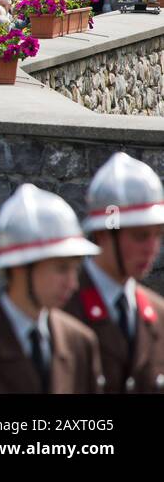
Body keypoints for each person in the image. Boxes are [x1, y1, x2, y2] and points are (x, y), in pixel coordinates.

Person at [0, 184, 103, 393]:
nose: (73, 283)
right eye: (61, 269)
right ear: (20, 268)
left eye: (74, 269)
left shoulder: (80, 343)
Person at [65, 153, 164, 393]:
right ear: (103, 234)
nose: (152, 248)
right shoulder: (62, 308)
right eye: (140, 236)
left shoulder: (158, 313)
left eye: (158, 234)